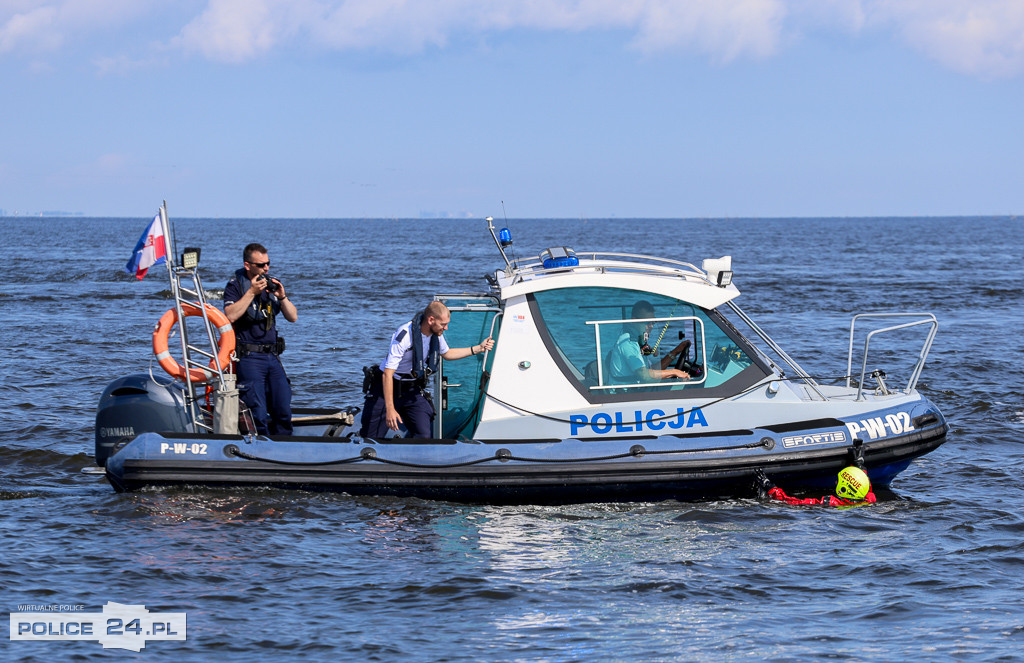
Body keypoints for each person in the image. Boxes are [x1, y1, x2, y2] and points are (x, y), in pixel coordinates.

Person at [359, 301, 494, 439]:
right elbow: (387, 374)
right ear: (431, 320)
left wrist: (478, 348)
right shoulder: (405, 335)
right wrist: (390, 409)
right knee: (371, 437)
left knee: (423, 433)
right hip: (387, 387)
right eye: (443, 324)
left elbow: (447, 354)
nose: (446, 328)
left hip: (411, 388)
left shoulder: (436, 335)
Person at [223, 242, 298, 436]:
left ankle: (285, 446)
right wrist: (251, 293)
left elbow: (293, 317)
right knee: (257, 410)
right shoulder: (235, 286)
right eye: (261, 265)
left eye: (268, 264)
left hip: (272, 357)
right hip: (249, 357)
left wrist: (282, 297)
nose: (266, 269)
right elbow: (230, 315)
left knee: (282, 406)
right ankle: (259, 446)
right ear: (248, 265)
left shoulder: (271, 284)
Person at [607, 300, 691, 386]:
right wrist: (674, 372)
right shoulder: (628, 342)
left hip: (638, 390)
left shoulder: (639, 341)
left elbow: (652, 372)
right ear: (634, 320)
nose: (651, 325)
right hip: (624, 394)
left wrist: (675, 352)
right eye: (647, 322)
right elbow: (644, 376)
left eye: (653, 322)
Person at [755, 466, 877, 507]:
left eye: (839, 482)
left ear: (844, 488)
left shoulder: (830, 503)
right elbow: (866, 486)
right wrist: (859, 465)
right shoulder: (869, 499)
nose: (835, 483)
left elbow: (795, 502)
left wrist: (772, 488)